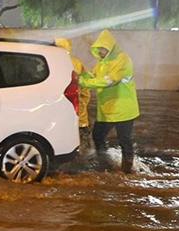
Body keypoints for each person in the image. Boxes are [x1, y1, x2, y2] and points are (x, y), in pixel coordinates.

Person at [78, 29, 140, 173]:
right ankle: (105, 164)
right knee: (98, 135)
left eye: (102, 48)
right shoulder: (102, 62)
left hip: (123, 109)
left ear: (110, 47)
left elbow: (109, 81)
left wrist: (82, 82)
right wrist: (79, 76)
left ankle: (127, 170)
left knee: (124, 140)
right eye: (99, 48)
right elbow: (92, 74)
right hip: (107, 109)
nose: (100, 51)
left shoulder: (123, 60)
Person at [55, 38, 91, 140]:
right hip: (76, 110)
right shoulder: (77, 63)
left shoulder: (51, 61)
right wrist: (82, 105)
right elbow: (85, 89)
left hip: (60, 109)